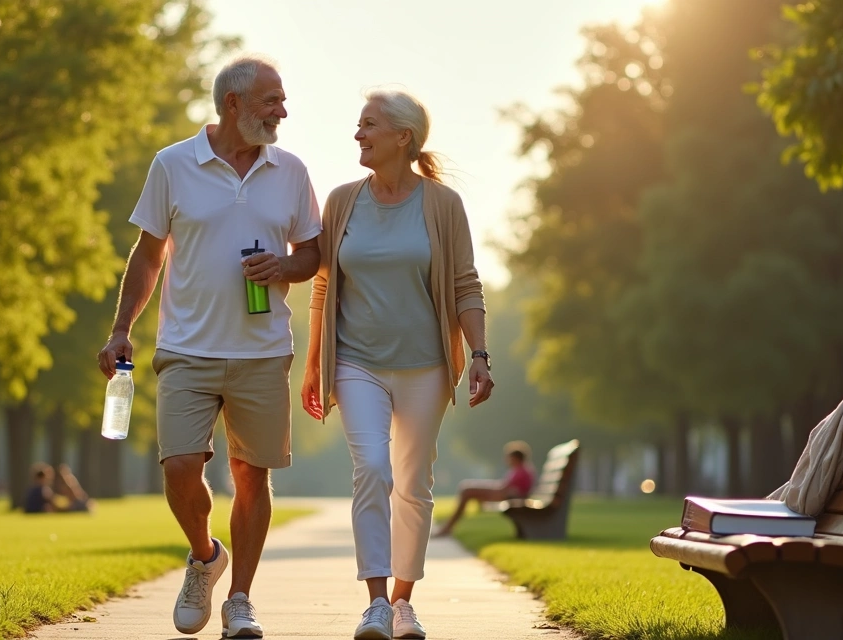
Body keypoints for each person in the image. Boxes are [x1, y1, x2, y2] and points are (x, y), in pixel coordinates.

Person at [96, 53, 321, 638]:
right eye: (271, 100)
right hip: (186, 348)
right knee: (178, 468)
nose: (282, 110)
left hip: (263, 351)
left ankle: (240, 600)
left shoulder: (291, 171)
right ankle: (204, 557)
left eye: (282, 99)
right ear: (233, 104)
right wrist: (121, 330)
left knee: (253, 476)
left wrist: (285, 267)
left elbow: (313, 255)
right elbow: (148, 255)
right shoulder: (172, 164)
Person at [301, 88, 494, 640]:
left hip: (426, 366)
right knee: (373, 469)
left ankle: (406, 602)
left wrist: (478, 355)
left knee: (413, 482)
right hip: (356, 362)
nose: (357, 134)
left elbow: (465, 285)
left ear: (402, 137)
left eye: (368, 125)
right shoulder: (341, 202)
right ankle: (377, 603)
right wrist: (314, 363)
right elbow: (322, 288)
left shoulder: (442, 204)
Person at [434, 441, 535, 537]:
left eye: (509, 457)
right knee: (466, 489)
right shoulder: (520, 470)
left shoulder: (521, 471)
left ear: (515, 458)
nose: (506, 460)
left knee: (466, 490)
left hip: (506, 495)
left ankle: (449, 527)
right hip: (504, 494)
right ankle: (449, 526)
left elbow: (507, 488)